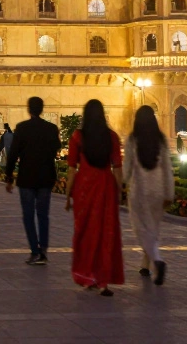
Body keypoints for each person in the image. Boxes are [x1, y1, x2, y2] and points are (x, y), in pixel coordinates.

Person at [64, 99, 123, 295]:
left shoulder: (78, 137)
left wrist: (67, 195)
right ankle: (103, 281)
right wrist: (120, 191)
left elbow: (72, 168)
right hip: (105, 186)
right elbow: (117, 168)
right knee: (105, 233)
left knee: (85, 233)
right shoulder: (111, 137)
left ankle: (88, 277)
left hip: (84, 187)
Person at [5, 96, 61, 265]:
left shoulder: (22, 128)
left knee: (28, 216)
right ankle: (43, 251)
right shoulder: (51, 128)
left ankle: (34, 251)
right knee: (43, 215)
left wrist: (9, 177)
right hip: (45, 177)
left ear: (29, 110)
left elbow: (13, 153)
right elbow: (56, 149)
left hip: (27, 178)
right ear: (42, 109)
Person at [124, 105, 174, 284]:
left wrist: (121, 182)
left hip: (140, 191)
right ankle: (145, 264)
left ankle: (157, 260)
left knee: (141, 229)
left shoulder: (132, 139)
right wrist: (169, 192)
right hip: (158, 190)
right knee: (153, 229)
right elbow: (168, 168)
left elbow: (127, 168)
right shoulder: (161, 140)